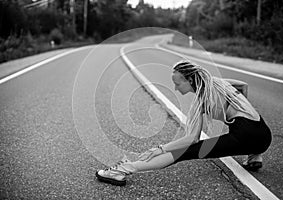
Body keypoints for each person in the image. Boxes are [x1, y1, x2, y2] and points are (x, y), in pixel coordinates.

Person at [96, 60, 272, 186]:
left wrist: (161, 148)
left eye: (177, 84)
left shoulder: (200, 102)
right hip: (264, 135)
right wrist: (237, 114)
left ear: (190, 81)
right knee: (240, 127)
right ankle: (254, 154)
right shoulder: (219, 83)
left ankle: (123, 170)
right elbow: (243, 86)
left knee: (185, 151)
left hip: (245, 137)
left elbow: (192, 139)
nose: (175, 88)